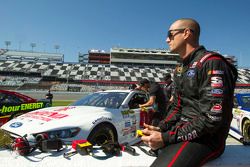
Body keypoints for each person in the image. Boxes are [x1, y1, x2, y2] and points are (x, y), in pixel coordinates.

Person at [140, 18, 238, 167]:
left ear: (186, 33)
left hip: (207, 139)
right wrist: (162, 127)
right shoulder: (180, 69)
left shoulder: (211, 62)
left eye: (170, 34)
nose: (167, 40)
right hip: (182, 131)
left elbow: (212, 119)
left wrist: (167, 137)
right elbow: (177, 106)